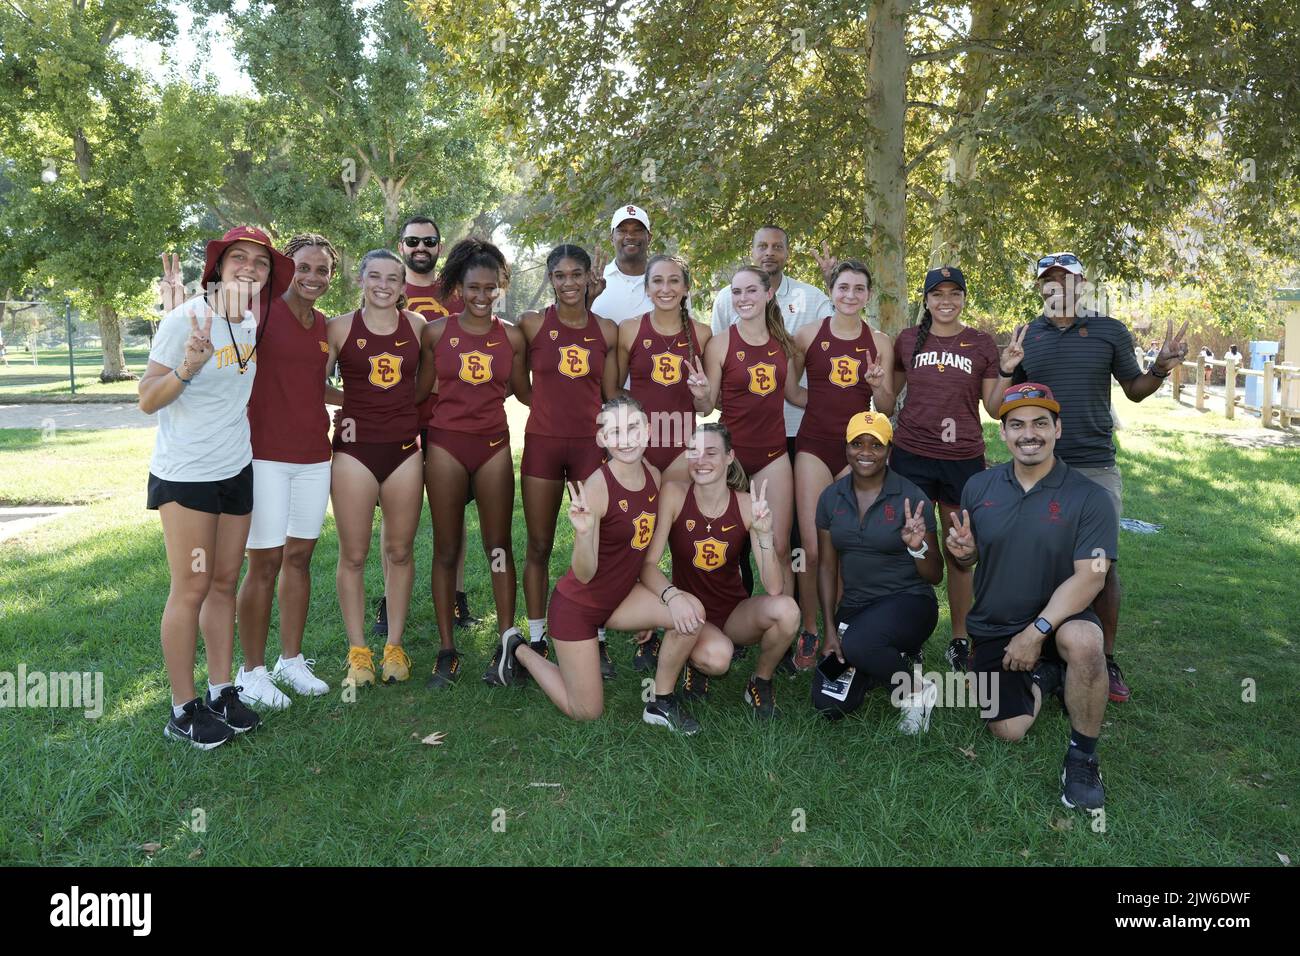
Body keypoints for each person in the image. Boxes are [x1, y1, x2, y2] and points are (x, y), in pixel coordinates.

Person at [997, 252, 1187, 703]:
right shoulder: (1029, 335)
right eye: (1048, 280)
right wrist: (1008, 368)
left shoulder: (1110, 330)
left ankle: (1105, 658)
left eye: (1065, 280)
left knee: (1101, 565)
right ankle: (1043, 648)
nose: (1056, 287)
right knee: (1042, 558)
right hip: (1040, 466)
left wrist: (1159, 368)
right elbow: (1008, 405)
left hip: (1095, 464)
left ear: (1082, 286)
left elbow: (1135, 391)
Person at [139, 226, 293, 748]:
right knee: (192, 587)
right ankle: (183, 709)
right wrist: (187, 367)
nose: (250, 268)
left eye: (261, 262)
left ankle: (222, 690)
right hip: (187, 476)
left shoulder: (248, 321)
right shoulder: (185, 321)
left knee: (225, 582)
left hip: (236, 470)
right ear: (219, 266)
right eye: (239, 258)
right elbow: (146, 399)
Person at [946, 383, 1117, 811]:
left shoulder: (1090, 497)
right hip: (996, 626)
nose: (1030, 434)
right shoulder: (979, 488)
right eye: (1017, 425)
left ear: (1058, 429)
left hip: (1060, 620)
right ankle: (1048, 677)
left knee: (1085, 642)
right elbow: (971, 563)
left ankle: (1082, 757)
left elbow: (1092, 579)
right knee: (1008, 730)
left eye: (1041, 423)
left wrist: (1036, 631)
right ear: (1002, 434)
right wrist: (967, 555)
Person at [495, 396, 690, 726]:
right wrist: (584, 534)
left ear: (648, 430)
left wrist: (652, 607)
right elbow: (584, 574)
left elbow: (638, 553)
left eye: (632, 428)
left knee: (690, 616)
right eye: (614, 432)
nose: (625, 439)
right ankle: (518, 649)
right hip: (579, 607)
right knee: (587, 711)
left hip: (621, 598)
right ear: (602, 438)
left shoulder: (654, 476)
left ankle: (660, 702)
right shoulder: (598, 488)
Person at [229, 234, 339, 708]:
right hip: (264, 455)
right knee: (265, 562)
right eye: (304, 267)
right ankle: (250, 671)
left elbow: (315, 388)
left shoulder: (324, 327)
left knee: (299, 559)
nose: (313, 277)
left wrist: (374, 405)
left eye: (324, 270)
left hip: (316, 455)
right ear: (285, 268)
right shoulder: (260, 309)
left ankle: (290, 660)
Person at [416, 238, 529, 689]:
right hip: (445, 445)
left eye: (490, 288)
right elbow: (419, 393)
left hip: (494, 446)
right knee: (446, 549)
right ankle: (447, 650)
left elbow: (525, 392)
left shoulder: (512, 335)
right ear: (458, 288)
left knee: (498, 546)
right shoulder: (437, 333)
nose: (482, 296)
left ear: (500, 287)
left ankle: (506, 643)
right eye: (473, 288)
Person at [635, 423, 800, 718]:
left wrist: (765, 534)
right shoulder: (674, 494)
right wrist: (670, 598)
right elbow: (648, 565)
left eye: (711, 452)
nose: (701, 461)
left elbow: (774, 587)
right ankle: (691, 661)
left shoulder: (748, 505)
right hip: (689, 611)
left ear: (729, 457)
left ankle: (759, 682)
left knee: (787, 610)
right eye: (694, 453)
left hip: (733, 612)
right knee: (718, 658)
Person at [889, 265, 1001, 674]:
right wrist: (874, 385)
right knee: (913, 548)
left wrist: (1007, 368)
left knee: (960, 552)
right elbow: (887, 402)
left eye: (955, 293)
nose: (946, 301)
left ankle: (959, 638)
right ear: (926, 300)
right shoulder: (906, 341)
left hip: (962, 460)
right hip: (911, 456)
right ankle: (911, 636)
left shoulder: (982, 343)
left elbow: (993, 407)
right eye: (938, 294)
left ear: (965, 298)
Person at [371, 216, 479, 638]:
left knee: (451, 515)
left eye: (429, 241)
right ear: (401, 245)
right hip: (399, 424)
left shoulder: (455, 294)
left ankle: (455, 598)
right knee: (395, 519)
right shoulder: (387, 293)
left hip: (450, 424)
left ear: (439, 245)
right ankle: (388, 600)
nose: (421, 247)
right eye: (412, 240)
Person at [786, 258, 894, 669]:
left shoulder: (878, 340)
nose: (850, 295)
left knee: (846, 546)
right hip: (813, 446)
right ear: (831, 291)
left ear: (868, 294)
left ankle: (844, 626)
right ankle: (811, 630)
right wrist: (822, 404)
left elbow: (885, 407)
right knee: (812, 549)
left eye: (859, 289)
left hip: (859, 450)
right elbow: (791, 390)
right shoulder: (807, 334)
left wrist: (875, 385)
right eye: (843, 287)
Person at [328, 249, 427, 687]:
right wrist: (347, 405)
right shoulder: (339, 327)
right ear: (362, 280)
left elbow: (427, 382)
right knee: (354, 554)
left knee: (400, 551)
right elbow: (312, 382)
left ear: (404, 286)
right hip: (354, 451)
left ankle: (394, 646)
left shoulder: (418, 327)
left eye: (393, 277)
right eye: (375, 276)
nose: (383, 284)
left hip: (405, 450)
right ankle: (358, 653)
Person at [519, 244, 619, 669]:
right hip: (542, 444)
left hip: (589, 448)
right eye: (560, 275)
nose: (569, 283)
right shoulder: (531, 324)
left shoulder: (607, 330)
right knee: (539, 543)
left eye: (576, 274)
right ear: (550, 279)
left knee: (591, 541)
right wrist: (545, 412)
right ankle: (538, 635)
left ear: (589, 276)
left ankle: (595, 633)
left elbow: (611, 395)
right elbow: (519, 387)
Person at [810, 412, 943, 731]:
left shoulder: (911, 497)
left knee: (858, 643)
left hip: (909, 601)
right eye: (858, 443)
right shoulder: (831, 497)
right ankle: (878, 661)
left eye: (876, 445)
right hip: (856, 608)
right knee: (828, 704)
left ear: (889, 451)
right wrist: (829, 627)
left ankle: (917, 689)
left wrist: (916, 546)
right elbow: (827, 566)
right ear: (846, 447)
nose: (866, 452)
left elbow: (935, 574)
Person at [618, 254, 713, 675]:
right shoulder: (629, 330)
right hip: (638, 450)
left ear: (686, 288)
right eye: (658, 281)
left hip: (679, 448)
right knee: (633, 538)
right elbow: (612, 392)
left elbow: (708, 405)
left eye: (675, 281)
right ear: (647, 286)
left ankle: (685, 619)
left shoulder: (704, 334)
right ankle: (642, 623)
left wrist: (701, 392)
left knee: (675, 541)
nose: (666, 288)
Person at [691, 264, 795, 605]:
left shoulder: (784, 344)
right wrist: (700, 391)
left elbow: (796, 395)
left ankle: (786, 621)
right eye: (736, 292)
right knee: (729, 547)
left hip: (773, 457)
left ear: (768, 294)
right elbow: (706, 407)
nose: (743, 298)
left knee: (780, 546)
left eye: (751, 290)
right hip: (731, 459)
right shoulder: (720, 345)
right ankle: (728, 618)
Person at [590, 204, 654, 322]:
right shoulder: (595, 281)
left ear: (649, 237)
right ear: (611, 238)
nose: (630, 236)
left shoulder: (666, 282)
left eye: (638, 230)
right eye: (622, 231)